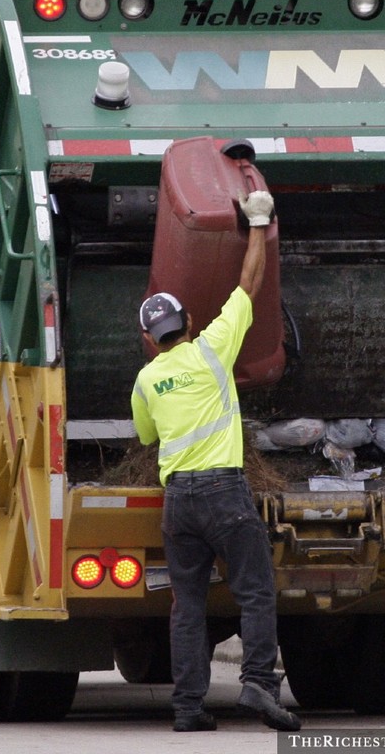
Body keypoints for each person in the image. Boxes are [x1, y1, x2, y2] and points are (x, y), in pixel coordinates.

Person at [131, 188, 301, 733]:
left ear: (150, 340)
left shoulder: (147, 379)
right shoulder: (213, 348)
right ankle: (256, 684)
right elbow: (248, 282)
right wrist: (257, 224)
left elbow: (147, 434)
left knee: (188, 607)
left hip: (178, 503)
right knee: (254, 591)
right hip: (225, 495)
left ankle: (186, 709)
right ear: (190, 322)